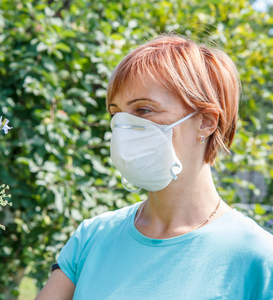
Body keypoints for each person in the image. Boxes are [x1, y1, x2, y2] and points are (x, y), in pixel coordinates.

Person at [35, 34, 273, 300]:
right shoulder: (92, 237)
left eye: (144, 110)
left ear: (205, 122)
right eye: (116, 114)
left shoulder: (258, 258)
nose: (124, 128)